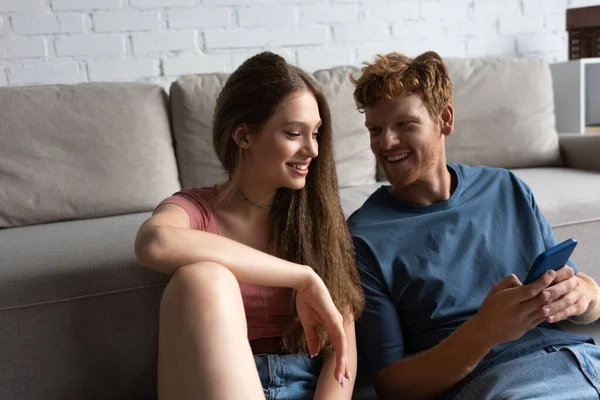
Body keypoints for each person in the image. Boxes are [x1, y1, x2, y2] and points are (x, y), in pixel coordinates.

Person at [347, 50, 600, 399]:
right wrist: (484, 332)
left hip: (587, 360)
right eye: (376, 129)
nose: (385, 143)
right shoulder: (365, 236)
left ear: (445, 120)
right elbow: (391, 385)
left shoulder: (505, 188)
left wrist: (584, 294)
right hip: (507, 382)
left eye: (404, 125)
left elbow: (582, 294)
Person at [134, 52, 363, 400]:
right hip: (215, 384)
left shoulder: (320, 217)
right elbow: (154, 243)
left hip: (306, 386)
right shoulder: (195, 210)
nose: (312, 150)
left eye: (316, 134)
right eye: (293, 133)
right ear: (243, 136)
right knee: (202, 278)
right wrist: (301, 276)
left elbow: (342, 355)